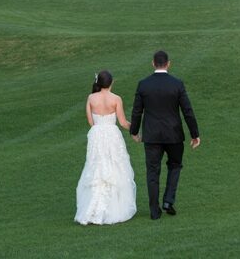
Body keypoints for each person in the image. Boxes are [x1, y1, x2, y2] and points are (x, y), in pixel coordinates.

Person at [130, 50, 200, 220]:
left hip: (152, 135)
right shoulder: (177, 84)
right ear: (168, 63)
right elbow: (187, 111)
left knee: (152, 172)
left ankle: (155, 211)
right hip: (174, 135)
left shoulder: (143, 84)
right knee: (175, 166)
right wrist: (195, 133)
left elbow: (137, 111)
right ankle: (168, 200)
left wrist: (134, 131)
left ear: (153, 63)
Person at [75, 71, 136, 225]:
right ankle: (113, 207)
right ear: (111, 82)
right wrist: (134, 130)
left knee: (96, 167)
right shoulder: (116, 99)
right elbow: (122, 122)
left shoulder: (91, 98)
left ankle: (92, 208)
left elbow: (91, 121)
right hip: (112, 134)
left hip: (96, 135)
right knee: (115, 166)